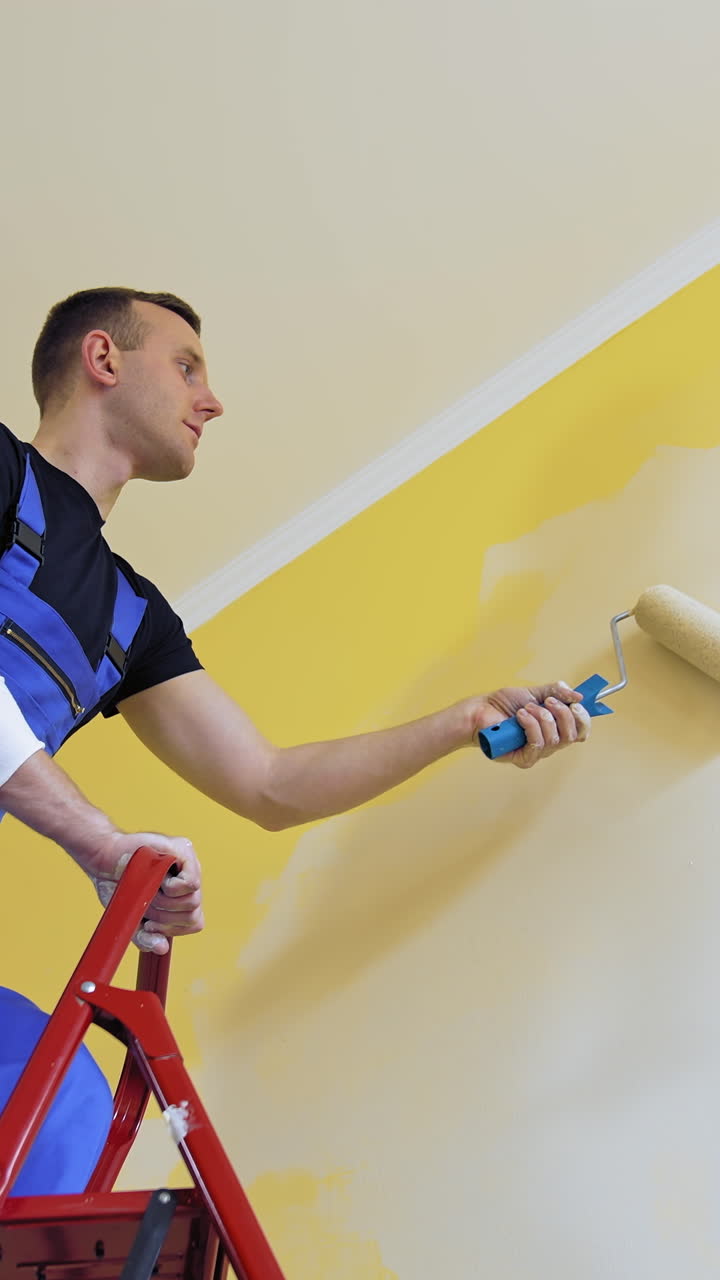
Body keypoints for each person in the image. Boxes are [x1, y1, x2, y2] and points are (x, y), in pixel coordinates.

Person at [0, 288, 592, 1195]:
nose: (214, 400)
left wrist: (461, 722)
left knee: (59, 1117)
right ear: (103, 360)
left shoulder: (133, 616)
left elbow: (270, 784)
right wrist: (96, 840)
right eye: (187, 366)